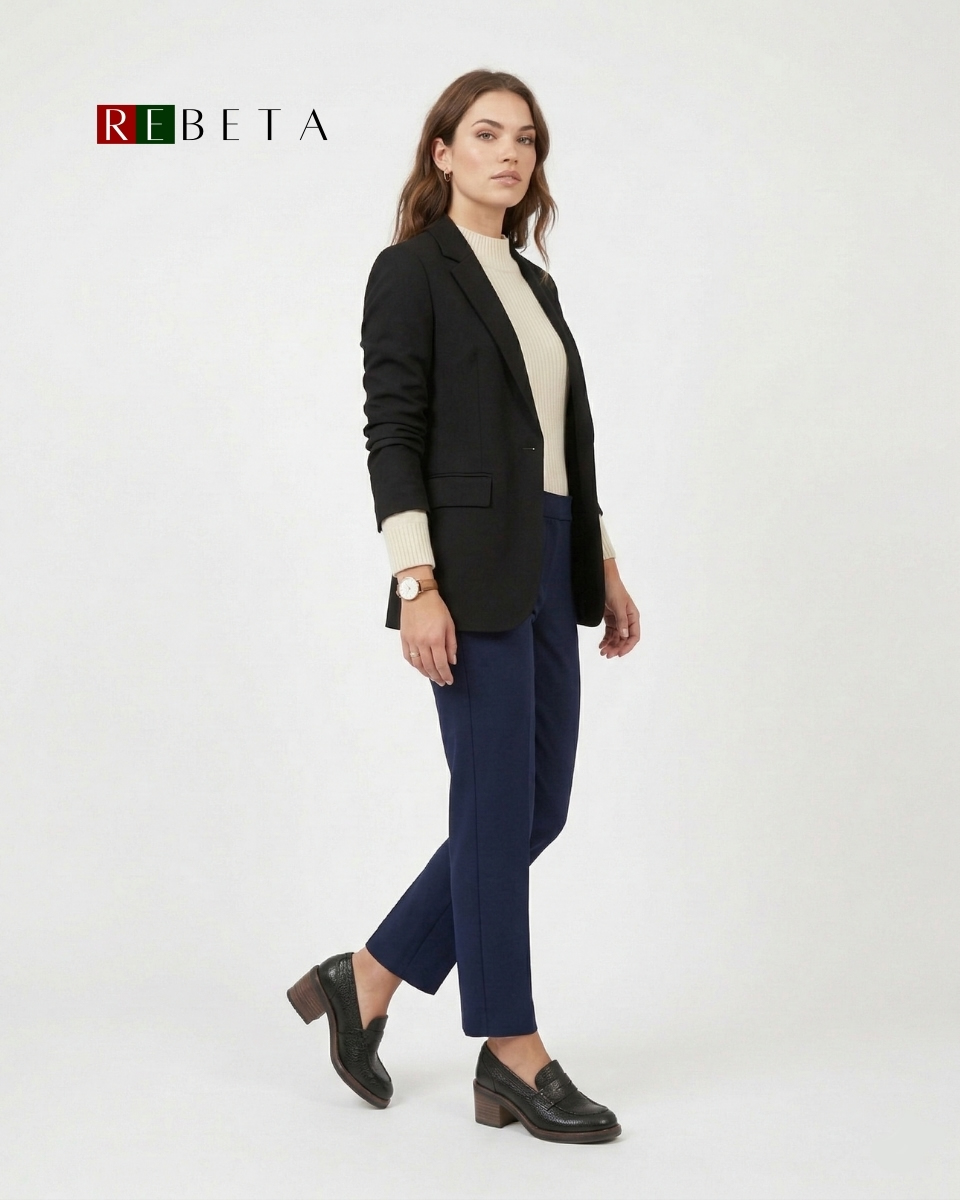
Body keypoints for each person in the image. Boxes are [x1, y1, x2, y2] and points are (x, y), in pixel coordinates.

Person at [287, 68, 640, 1145]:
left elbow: (560, 445)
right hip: (466, 571)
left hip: (550, 554)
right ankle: (511, 1048)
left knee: (534, 808)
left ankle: (366, 977)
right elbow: (392, 433)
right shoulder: (410, 271)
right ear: (441, 152)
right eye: (486, 134)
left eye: (525, 139)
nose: (510, 154)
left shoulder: (536, 285)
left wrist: (602, 562)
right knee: (494, 807)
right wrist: (416, 583)